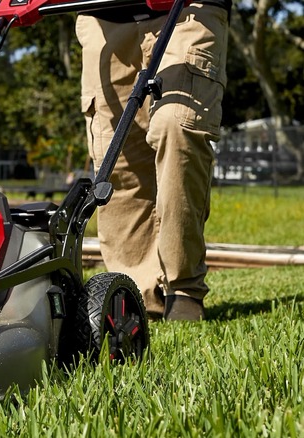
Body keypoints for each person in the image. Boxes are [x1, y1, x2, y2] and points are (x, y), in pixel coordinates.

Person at [75, 0, 231, 320]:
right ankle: (137, 297)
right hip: (102, 19)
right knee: (116, 156)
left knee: (177, 124)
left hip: (188, 8)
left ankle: (183, 289)